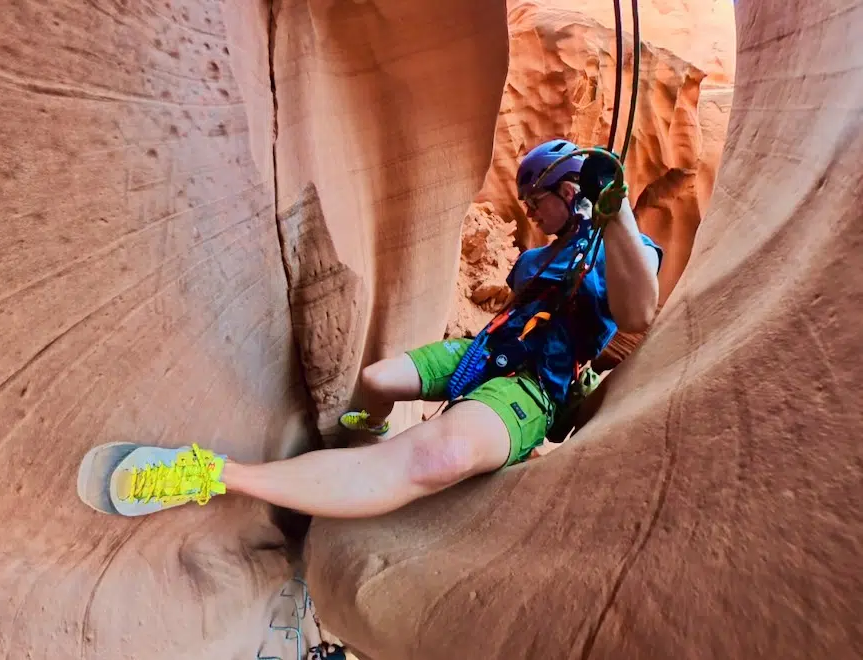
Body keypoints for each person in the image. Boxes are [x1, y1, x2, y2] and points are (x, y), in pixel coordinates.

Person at [103, 138, 663, 519]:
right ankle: (368, 434)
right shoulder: (538, 258)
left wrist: (616, 214)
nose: (529, 213)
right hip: (483, 353)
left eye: (535, 201)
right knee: (377, 379)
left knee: (435, 459)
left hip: (529, 391)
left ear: (568, 193)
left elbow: (638, 313)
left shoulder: (625, 251)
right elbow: (515, 312)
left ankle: (212, 474)